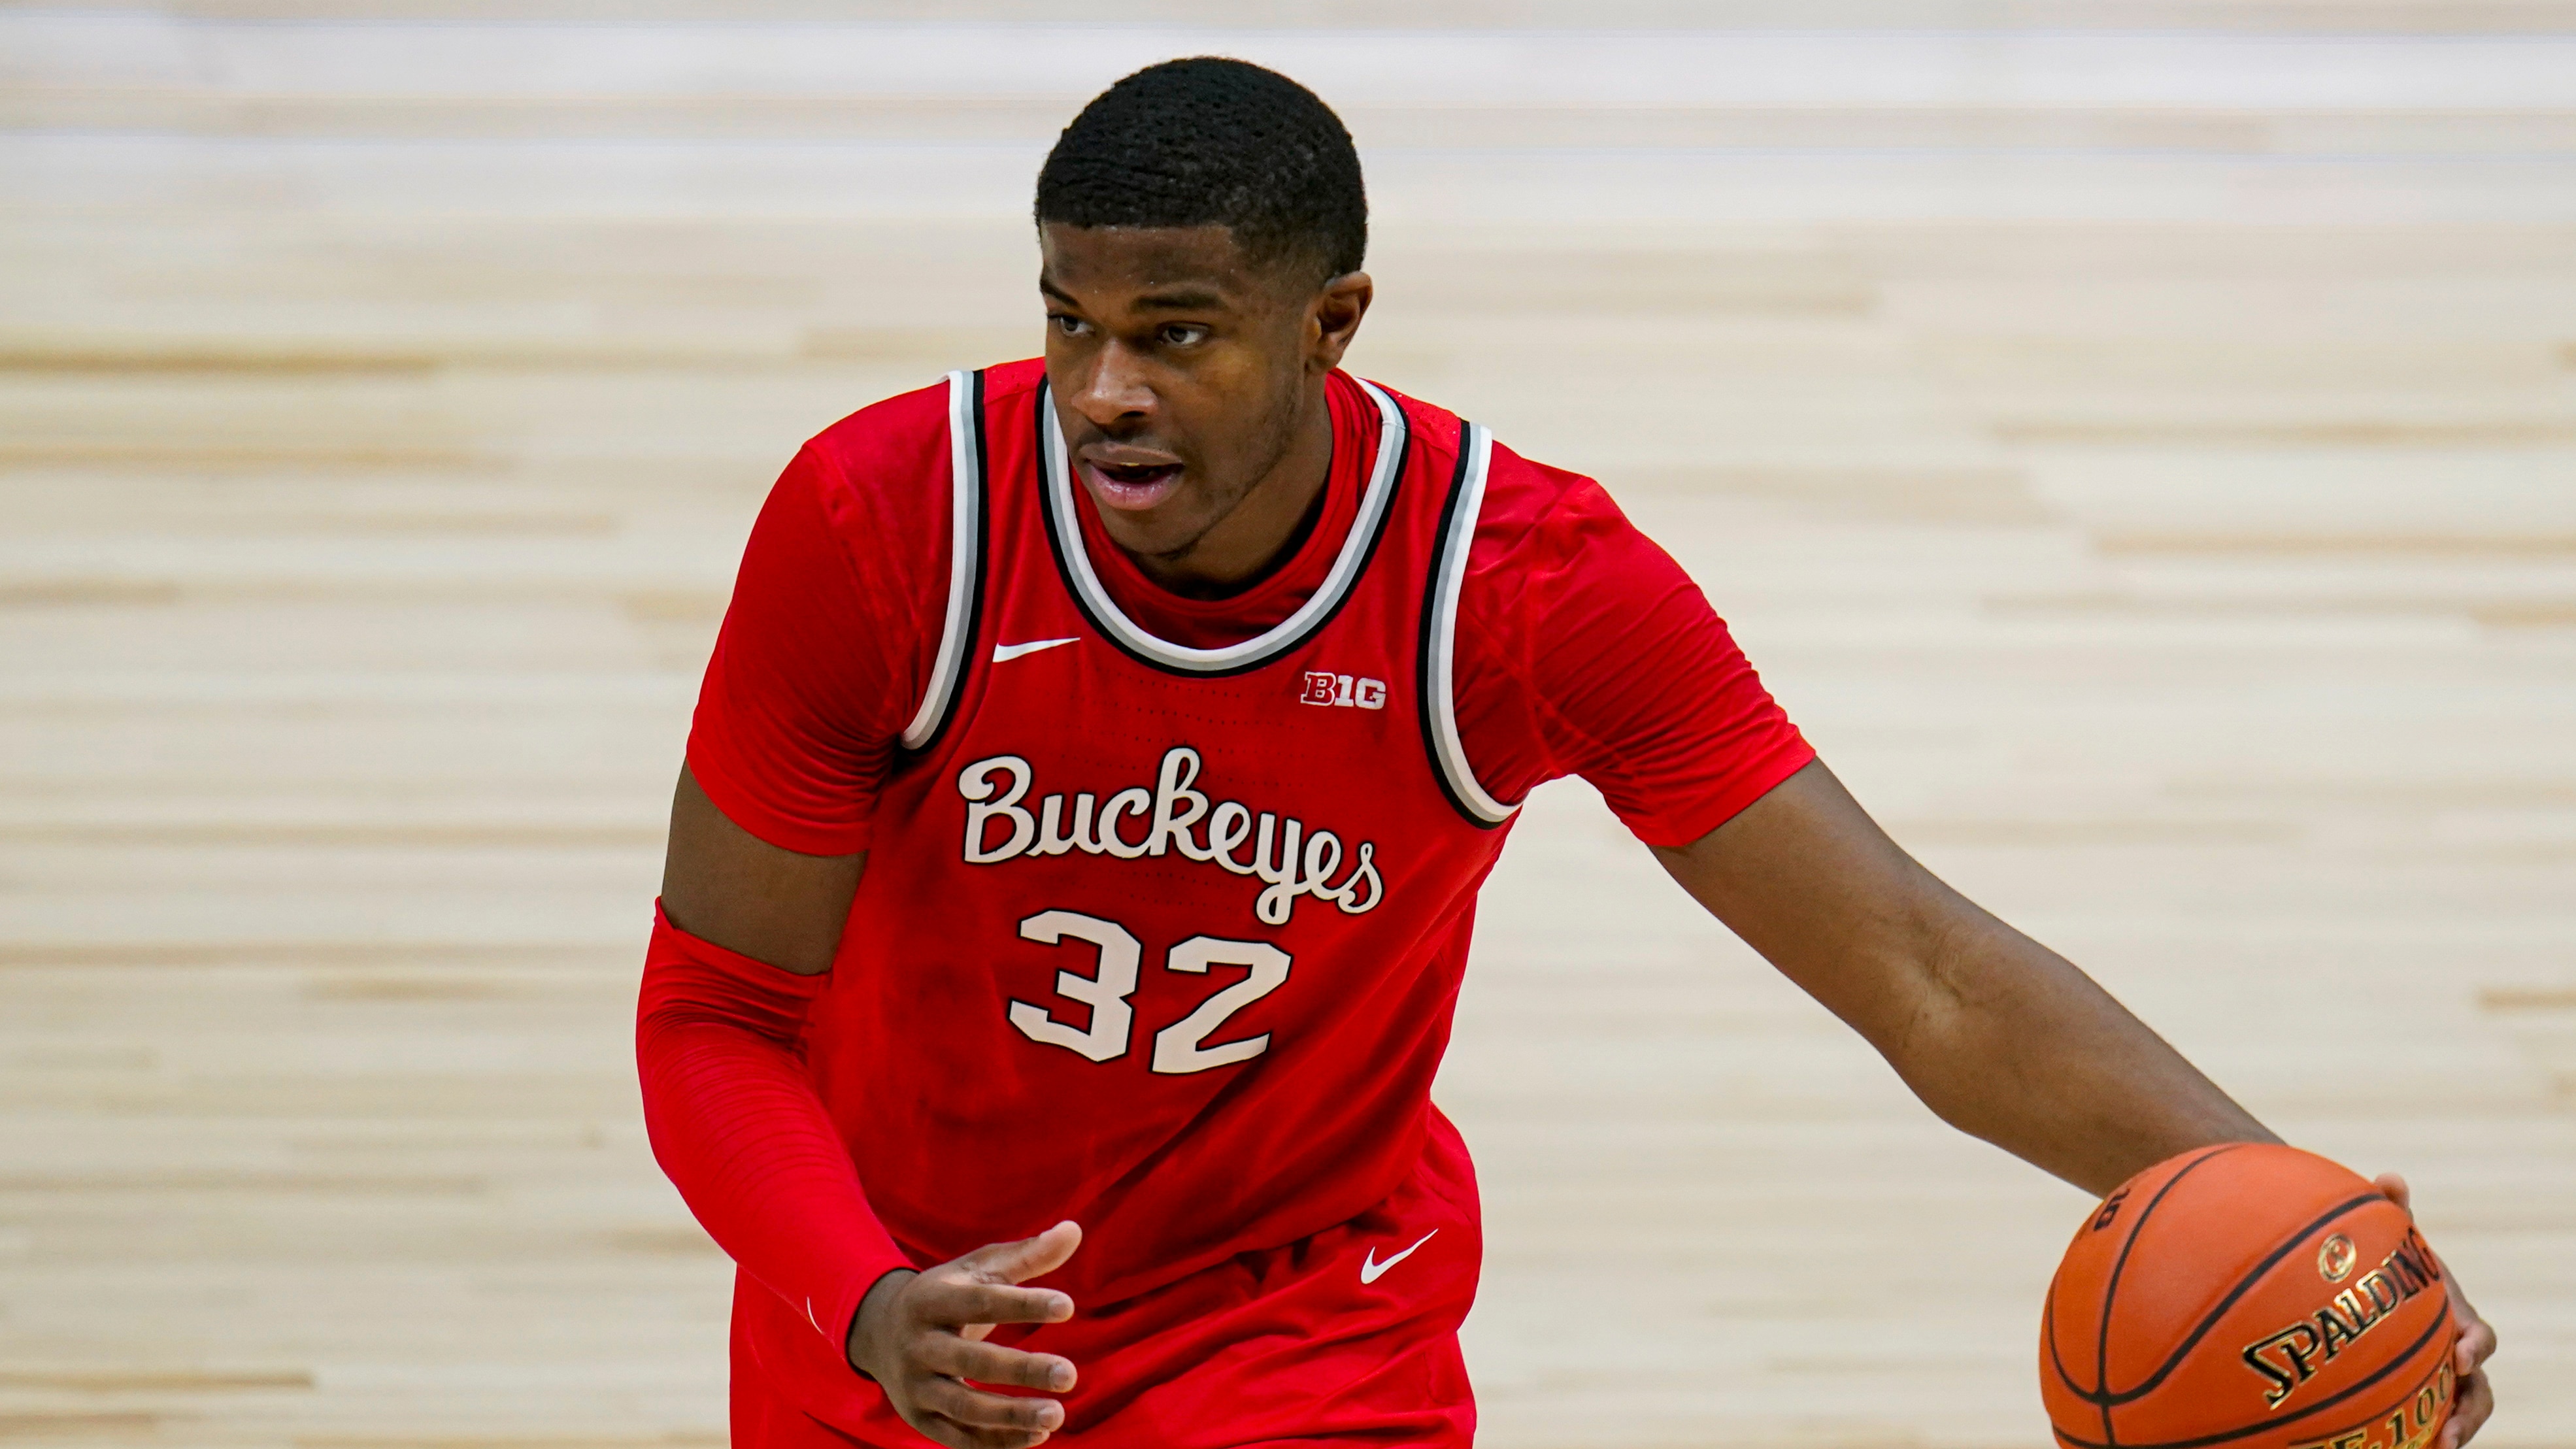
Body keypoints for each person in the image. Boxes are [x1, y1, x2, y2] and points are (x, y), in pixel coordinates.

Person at [635, 57, 2496, 1449]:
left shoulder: (1518, 584)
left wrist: (2320, 1228)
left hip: (1298, 1331)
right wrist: (869, 1303)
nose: (1103, 389)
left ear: (1331, 324)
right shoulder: (890, 525)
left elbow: (1923, 971)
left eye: (1174, 334)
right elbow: (714, 1011)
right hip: (907, 1313)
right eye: (1069, 322)